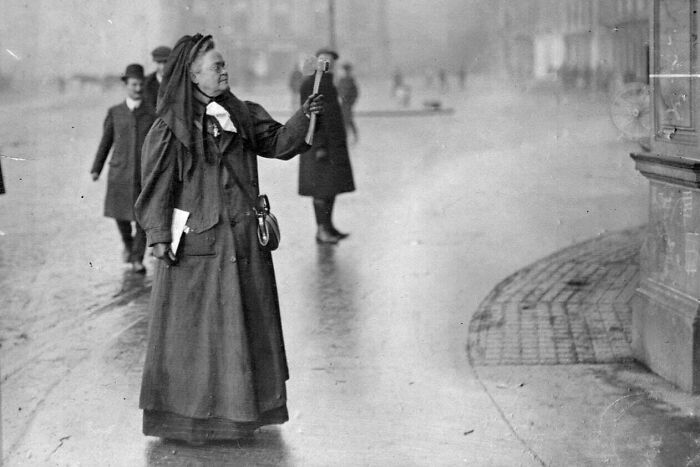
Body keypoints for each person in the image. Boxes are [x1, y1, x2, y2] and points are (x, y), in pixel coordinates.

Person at [134, 34, 324, 444]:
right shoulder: (170, 125)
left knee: (243, 330)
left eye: (224, 65)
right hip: (197, 249)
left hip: (242, 244)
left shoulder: (239, 111)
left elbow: (275, 142)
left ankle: (240, 419)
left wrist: (303, 116)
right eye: (216, 67)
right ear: (193, 75)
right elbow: (154, 187)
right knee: (198, 337)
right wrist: (158, 238)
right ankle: (190, 422)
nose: (225, 72)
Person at [91, 63, 155, 273]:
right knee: (121, 216)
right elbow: (105, 142)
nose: (138, 88)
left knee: (142, 219)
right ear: (126, 85)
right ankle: (128, 246)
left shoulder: (152, 113)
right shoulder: (115, 112)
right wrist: (96, 168)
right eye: (134, 84)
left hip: (142, 175)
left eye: (141, 84)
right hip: (120, 173)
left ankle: (137, 258)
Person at [299, 48, 356, 244]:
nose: (328, 63)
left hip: (332, 147)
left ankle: (329, 227)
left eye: (331, 61)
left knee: (330, 188)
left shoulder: (328, 83)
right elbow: (311, 117)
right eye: (324, 60)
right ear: (317, 62)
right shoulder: (311, 84)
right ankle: (322, 230)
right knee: (321, 190)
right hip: (319, 148)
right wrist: (320, 146)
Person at [143, 45, 171, 110]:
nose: (163, 66)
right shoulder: (147, 82)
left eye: (166, 62)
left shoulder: (178, 81)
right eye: (159, 62)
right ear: (155, 62)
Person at [337, 62, 359, 144]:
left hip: (348, 104)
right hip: (342, 103)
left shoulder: (351, 81)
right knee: (343, 120)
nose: (346, 72)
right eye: (345, 71)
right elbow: (338, 90)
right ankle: (344, 137)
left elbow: (355, 93)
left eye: (347, 71)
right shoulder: (341, 80)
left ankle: (353, 136)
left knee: (348, 120)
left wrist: (351, 102)